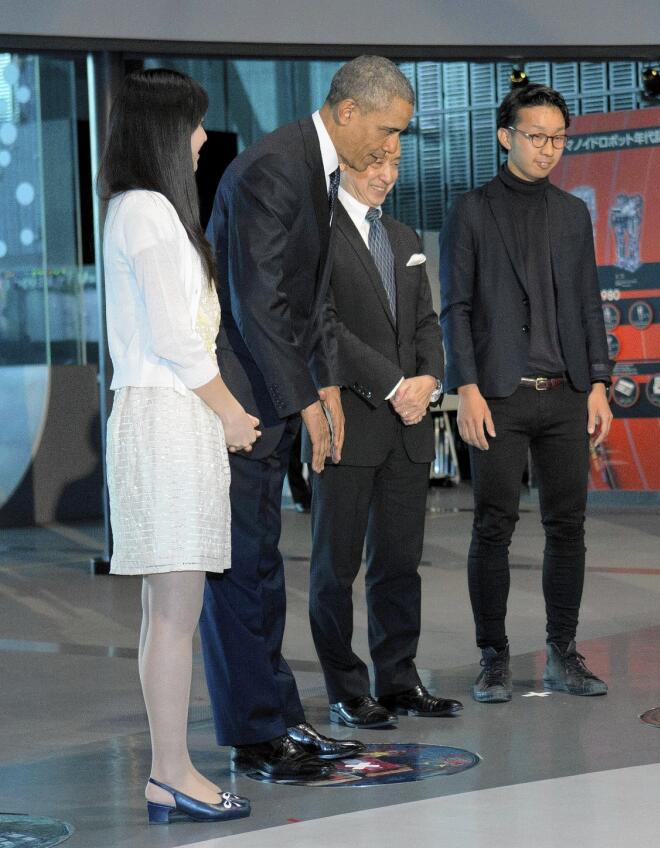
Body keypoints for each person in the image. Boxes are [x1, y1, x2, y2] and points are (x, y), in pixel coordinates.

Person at [200, 55, 415, 779]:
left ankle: (279, 720)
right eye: (386, 131)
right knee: (242, 571)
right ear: (349, 111)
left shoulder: (315, 173)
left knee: (263, 569)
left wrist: (324, 389)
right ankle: (258, 734)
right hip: (244, 404)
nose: (389, 150)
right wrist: (304, 399)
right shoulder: (274, 170)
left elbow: (315, 303)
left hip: (275, 399)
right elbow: (257, 304)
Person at [100, 68, 256, 823]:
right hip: (168, 419)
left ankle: (169, 770)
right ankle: (171, 772)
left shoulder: (135, 210)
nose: (203, 139)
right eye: (193, 125)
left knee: (165, 609)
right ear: (163, 131)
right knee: (174, 611)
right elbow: (176, 340)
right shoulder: (150, 213)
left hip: (165, 418)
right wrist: (230, 413)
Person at [441, 83, 614, 704]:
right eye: (537, 136)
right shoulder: (472, 211)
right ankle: (493, 656)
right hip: (499, 395)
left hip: (565, 392)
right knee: (494, 526)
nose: (548, 149)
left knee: (568, 526)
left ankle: (563, 651)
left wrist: (598, 381)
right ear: (504, 136)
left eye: (558, 139)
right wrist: (467, 387)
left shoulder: (573, 213)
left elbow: (589, 304)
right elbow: (455, 308)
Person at [308, 148, 462, 728]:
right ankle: (348, 690)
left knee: (399, 562)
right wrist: (393, 384)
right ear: (342, 162)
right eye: (374, 163)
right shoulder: (317, 234)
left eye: (393, 165)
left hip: (409, 425)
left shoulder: (402, 234)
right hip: (347, 421)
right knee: (334, 567)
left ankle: (398, 680)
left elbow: (427, 320)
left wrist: (428, 379)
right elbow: (323, 325)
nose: (386, 175)